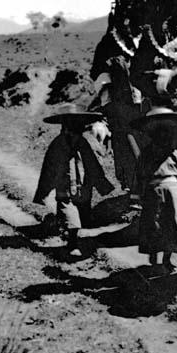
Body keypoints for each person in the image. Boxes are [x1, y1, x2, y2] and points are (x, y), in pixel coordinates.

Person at [33, 104, 114, 256]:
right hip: (64, 185)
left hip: (83, 185)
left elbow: (94, 163)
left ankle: (77, 239)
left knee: (82, 212)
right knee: (69, 212)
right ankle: (72, 243)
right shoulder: (58, 143)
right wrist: (43, 191)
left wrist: (101, 183)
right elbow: (49, 168)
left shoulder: (87, 142)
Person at [131, 107, 177, 272]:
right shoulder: (145, 154)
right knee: (153, 224)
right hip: (153, 192)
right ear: (152, 136)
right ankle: (153, 255)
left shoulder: (175, 154)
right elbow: (139, 175)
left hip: (173, 194)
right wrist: (137, 196)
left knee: (171, 226)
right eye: (159, 134)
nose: (163, 137)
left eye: (166, 133)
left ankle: (167, 259)